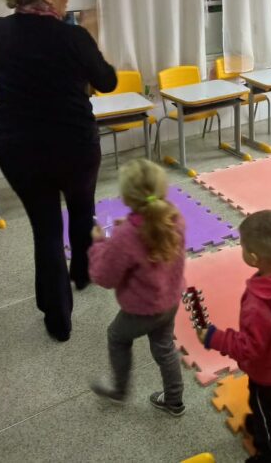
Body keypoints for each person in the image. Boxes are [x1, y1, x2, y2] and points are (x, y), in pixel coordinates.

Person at [0, 0, 117, 341]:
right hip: (73, 146)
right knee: (81, 212)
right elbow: (107, 82)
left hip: (18, 148)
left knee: (45, 230)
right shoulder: (73, 36)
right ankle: (81, 274)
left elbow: (12, 75)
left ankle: (58, 320)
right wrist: (90, 36)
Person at [200, 211, 271, 463]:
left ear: (254, 258)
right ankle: (261, 425)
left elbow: (249, 349)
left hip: (269, 367)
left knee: (266, 404)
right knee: (260, 399)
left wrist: (214, 337)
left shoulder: (258, 304)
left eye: (243, 247)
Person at [88, 159, 187, 414]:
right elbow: (147, 234)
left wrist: (98, 245)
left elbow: (104, 277)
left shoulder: (126, 236)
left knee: (117, 336)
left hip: (143, 309)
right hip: (170, 299)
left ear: (125, 197)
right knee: (164, 347)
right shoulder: (173, 217)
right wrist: (128, 225)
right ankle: (174, 400)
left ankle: (119, 392)